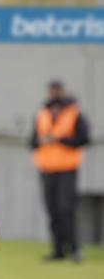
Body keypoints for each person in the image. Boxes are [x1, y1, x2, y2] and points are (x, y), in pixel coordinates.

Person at [30, 79, 90, 262]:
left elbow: (83, 138)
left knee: (66, 209)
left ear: (63, 92)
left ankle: (74, 249)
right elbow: (32, 142)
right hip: (46, 168)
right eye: (52, 91)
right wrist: (42, 140)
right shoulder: (41, 113)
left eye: (58, 91)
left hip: (67, 168)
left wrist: (59, 139)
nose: (55, 94)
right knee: (52, 210)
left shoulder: (74, 112)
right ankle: (58, 251)